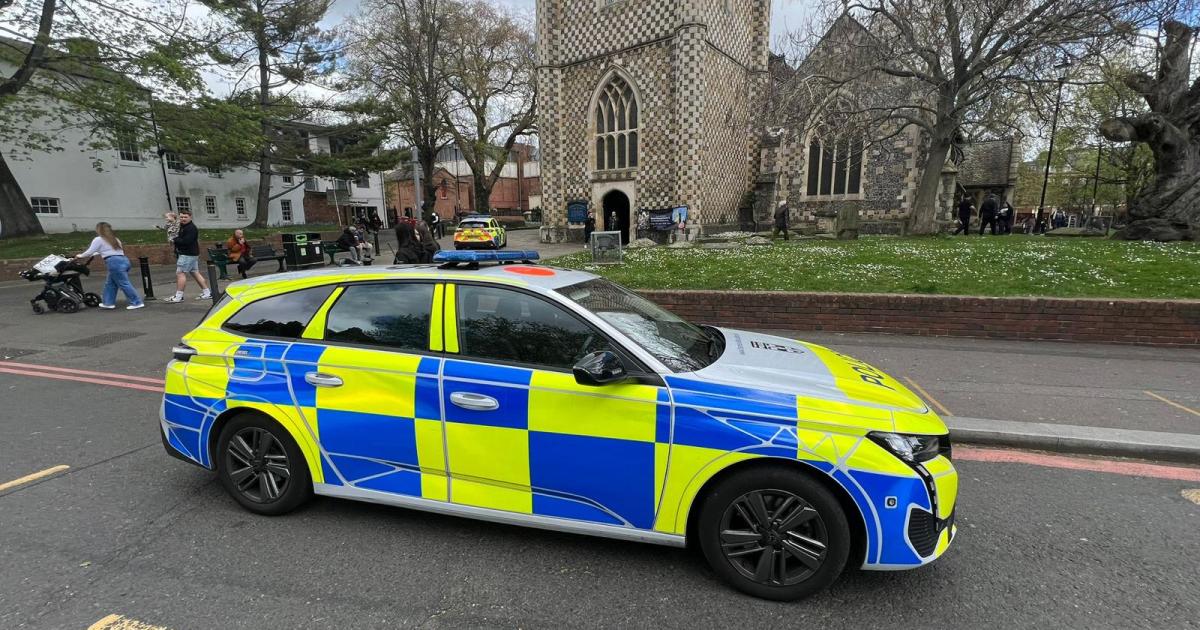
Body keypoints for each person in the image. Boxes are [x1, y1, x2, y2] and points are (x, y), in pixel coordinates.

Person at [74, 222, 144, 310]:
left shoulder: (98, 239)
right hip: (123, 260)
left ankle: (137, 302)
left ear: (99, 229)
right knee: (110, 283)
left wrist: (79, 256)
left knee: (124, 283)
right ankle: (108, 302)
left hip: (114, 262)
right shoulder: (115, 239)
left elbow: (89, 252)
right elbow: (105, 251)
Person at [163, 210, 210, 303]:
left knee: (180, 273)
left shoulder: (191, 228)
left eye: (185, 217)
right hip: (190, 254)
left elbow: (186, 241)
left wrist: (174, 239)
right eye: (181, 217)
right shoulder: (182, 226)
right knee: (195, 272)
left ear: (190, 217)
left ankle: (178, 296)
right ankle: (207, 292)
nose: (183, 219)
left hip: (187, 254)